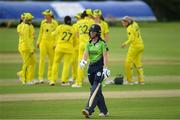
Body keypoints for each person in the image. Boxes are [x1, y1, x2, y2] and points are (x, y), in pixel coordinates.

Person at [81, 24, 110, 118]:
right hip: (91, 68)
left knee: (94, 89)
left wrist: (106, 68)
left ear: (97, 33)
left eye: (93, 32)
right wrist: (83, 61)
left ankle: (88, 109)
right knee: (97, 91)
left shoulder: (102, 43)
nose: (90, 33)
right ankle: (104, 111)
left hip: (99, 68)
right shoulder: (88, 43)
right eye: (90, 31)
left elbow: (105, 56)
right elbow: (86, 53)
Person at [71, 9, 95, 88]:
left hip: (81, 45)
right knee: (94, 62)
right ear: (89, 15)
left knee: (81, 64)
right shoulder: (92, 22)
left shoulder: (79, 22)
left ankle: (79, 82)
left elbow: (77, 35)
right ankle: (97, 81)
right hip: (90, 45)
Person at [50, 16, 76, 86]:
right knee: (66, 65)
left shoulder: (60, 27)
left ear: (64, 21)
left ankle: (52, 80)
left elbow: (53, 34)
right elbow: (75, 42)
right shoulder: (73, 29)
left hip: (59, 47)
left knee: (56, 63)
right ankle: (64, 81)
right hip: (69, 48)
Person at [121, 16, 144, 85]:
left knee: (127, 63)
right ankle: (141, 81)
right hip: (141, 46)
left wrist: (125, 44)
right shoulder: (135, 24)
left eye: (123, 23)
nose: (123, 24)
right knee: (138, 63)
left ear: (127, 22)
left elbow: (132, 39)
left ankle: (129, 81)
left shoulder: (129, 28)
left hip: (134, 47)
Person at [36, 9, 58, 83]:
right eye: (44, 15)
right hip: (43, 42)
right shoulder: (43, 22)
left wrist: (55, 43)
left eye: (46, 15)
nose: (44, 16)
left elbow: (57, 35)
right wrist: (38, 42)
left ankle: (50, 77)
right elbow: (40, 33)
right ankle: (40, 77)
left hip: (52, 43)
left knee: (51, 61)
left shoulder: (55, 23)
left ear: (50, 15)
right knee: (42, 60)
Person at [17, 12, 36, 85]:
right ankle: (24, 79)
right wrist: (30, 49)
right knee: (26, 63)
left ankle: (29, 78)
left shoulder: (28, 26)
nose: (31, 20)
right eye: (30, 19)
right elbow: (26, 39)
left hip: (28, 46)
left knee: (33, 62)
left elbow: (30, 36)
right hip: (25, 48)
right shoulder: (24, 26)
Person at [69, 13, 81, 85]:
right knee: (73, 62)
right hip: (74, 46)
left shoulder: (82, 24)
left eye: (78, 18)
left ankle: (80, 77)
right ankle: (74, 76)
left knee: (81, 63)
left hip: (81, 46)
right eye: (76, 18)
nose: (77, 19)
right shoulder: (74, 25)